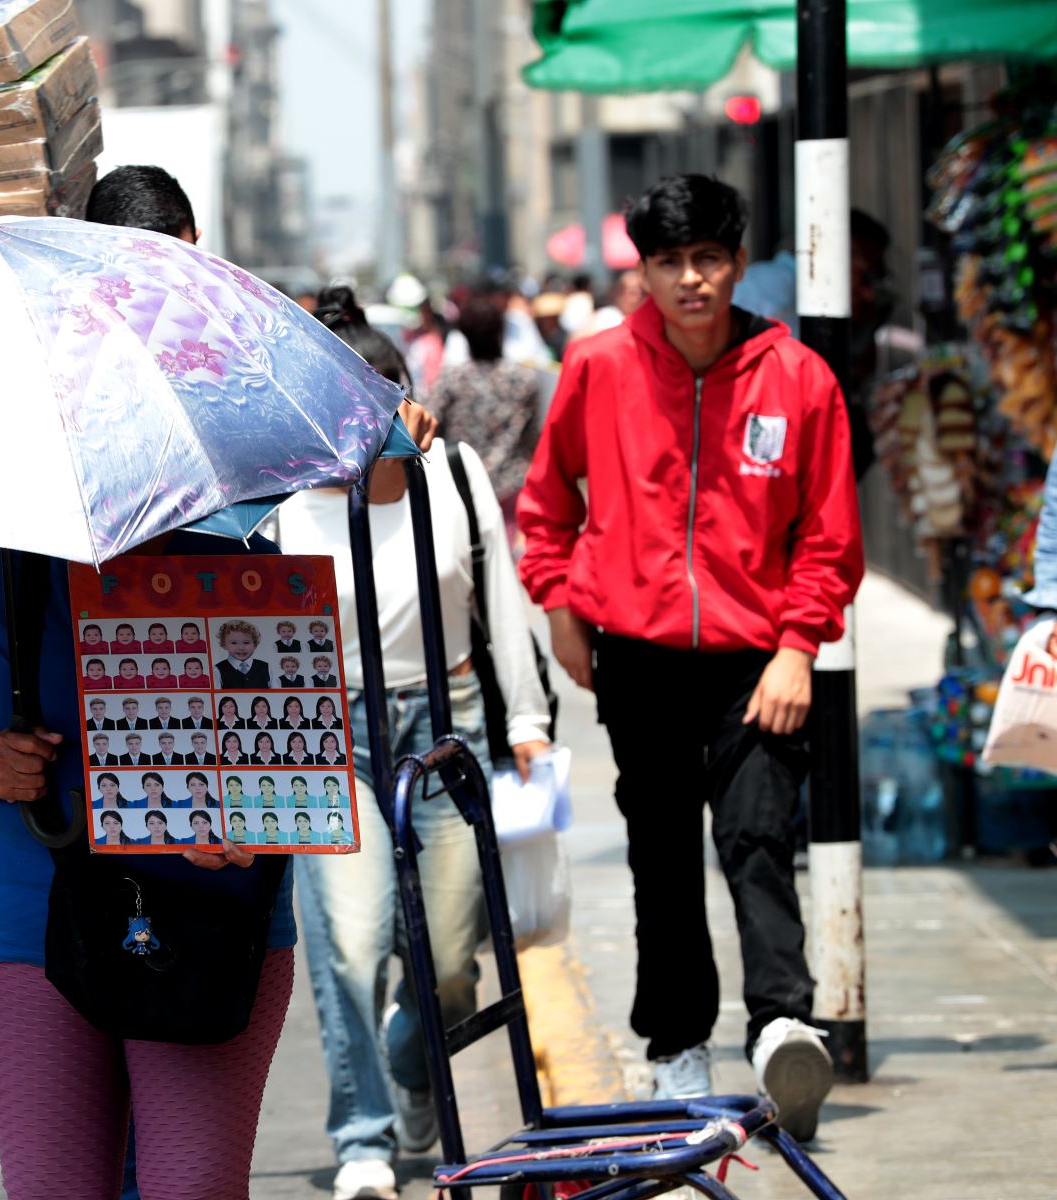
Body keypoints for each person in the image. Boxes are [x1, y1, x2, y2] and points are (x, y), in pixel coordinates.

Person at [0, 161, 293, 1198]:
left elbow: (301, 740)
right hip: (33, 921)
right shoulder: (6, 561)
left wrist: (260, 819)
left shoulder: (244, 538)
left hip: (212, 917)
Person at [518, 174, 863, 1141]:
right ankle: (677, 1046)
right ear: (646, 272)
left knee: (757, 841)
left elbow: (830, 536)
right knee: (661, 855)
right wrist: (560, 607)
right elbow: (547, 507)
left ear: (738, 264)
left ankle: (785, 1027)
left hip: (760, 662)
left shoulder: (796, 378)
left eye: (708, 258)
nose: (691, 281)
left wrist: (800, 646)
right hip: (638, 660)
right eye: (669, 262)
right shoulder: (597, 368)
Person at [278, 284, 552, 1200]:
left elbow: (499, 601)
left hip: (445, 724)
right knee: (351, 943)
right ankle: (363, 1135)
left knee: (442, 961)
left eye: (383, 398)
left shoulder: (454, 478)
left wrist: (528, 724)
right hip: (332, 737)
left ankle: (418, 1064)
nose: (367, 425)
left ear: (410, 398)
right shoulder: (275, 500)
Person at [426, 296, 545, 527]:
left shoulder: (451, 379)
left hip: (460, 483)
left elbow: (430, 427)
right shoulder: (524, 379)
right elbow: (534, 438)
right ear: (501, 330)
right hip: (512, 486)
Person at [216, 619, 271, 688]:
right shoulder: (218, 670)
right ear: (224, 644)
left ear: (255, 644)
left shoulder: (266, 667)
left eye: (246, 642)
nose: (241, 648)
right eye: (234, 643)